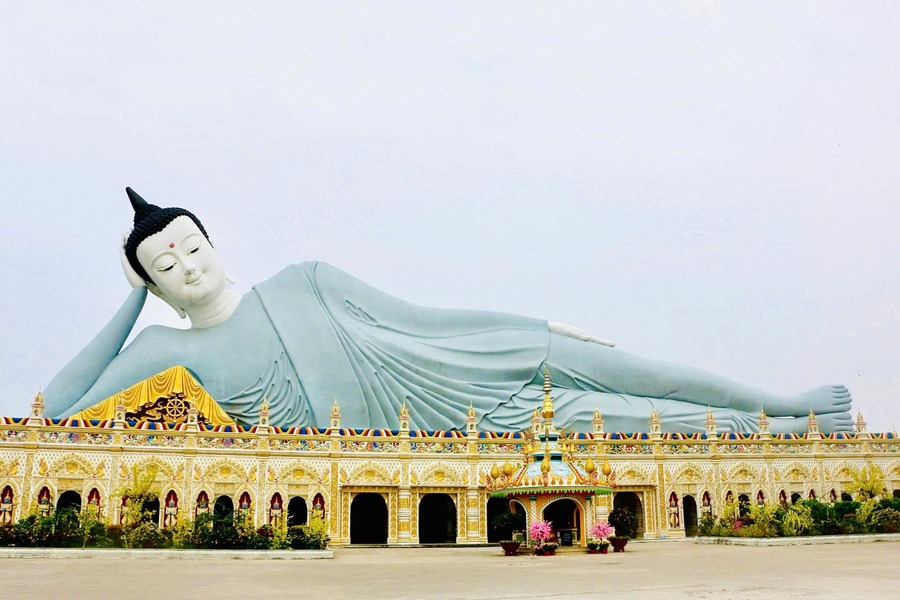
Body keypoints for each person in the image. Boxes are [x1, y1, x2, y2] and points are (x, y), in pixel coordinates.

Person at [42, 189, 854, 433]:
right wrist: (126, 303)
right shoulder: (165, 349)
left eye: (188, 244)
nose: (187, 266)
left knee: (623, 365)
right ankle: (787, 433)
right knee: (626, 419)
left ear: (211, 237)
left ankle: (780, 400)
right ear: (152, 284)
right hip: (429, 433)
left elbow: (420, 320)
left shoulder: (305, 279)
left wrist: (527, 326)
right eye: (164, 266)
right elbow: (59, 412)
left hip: (448, 366)